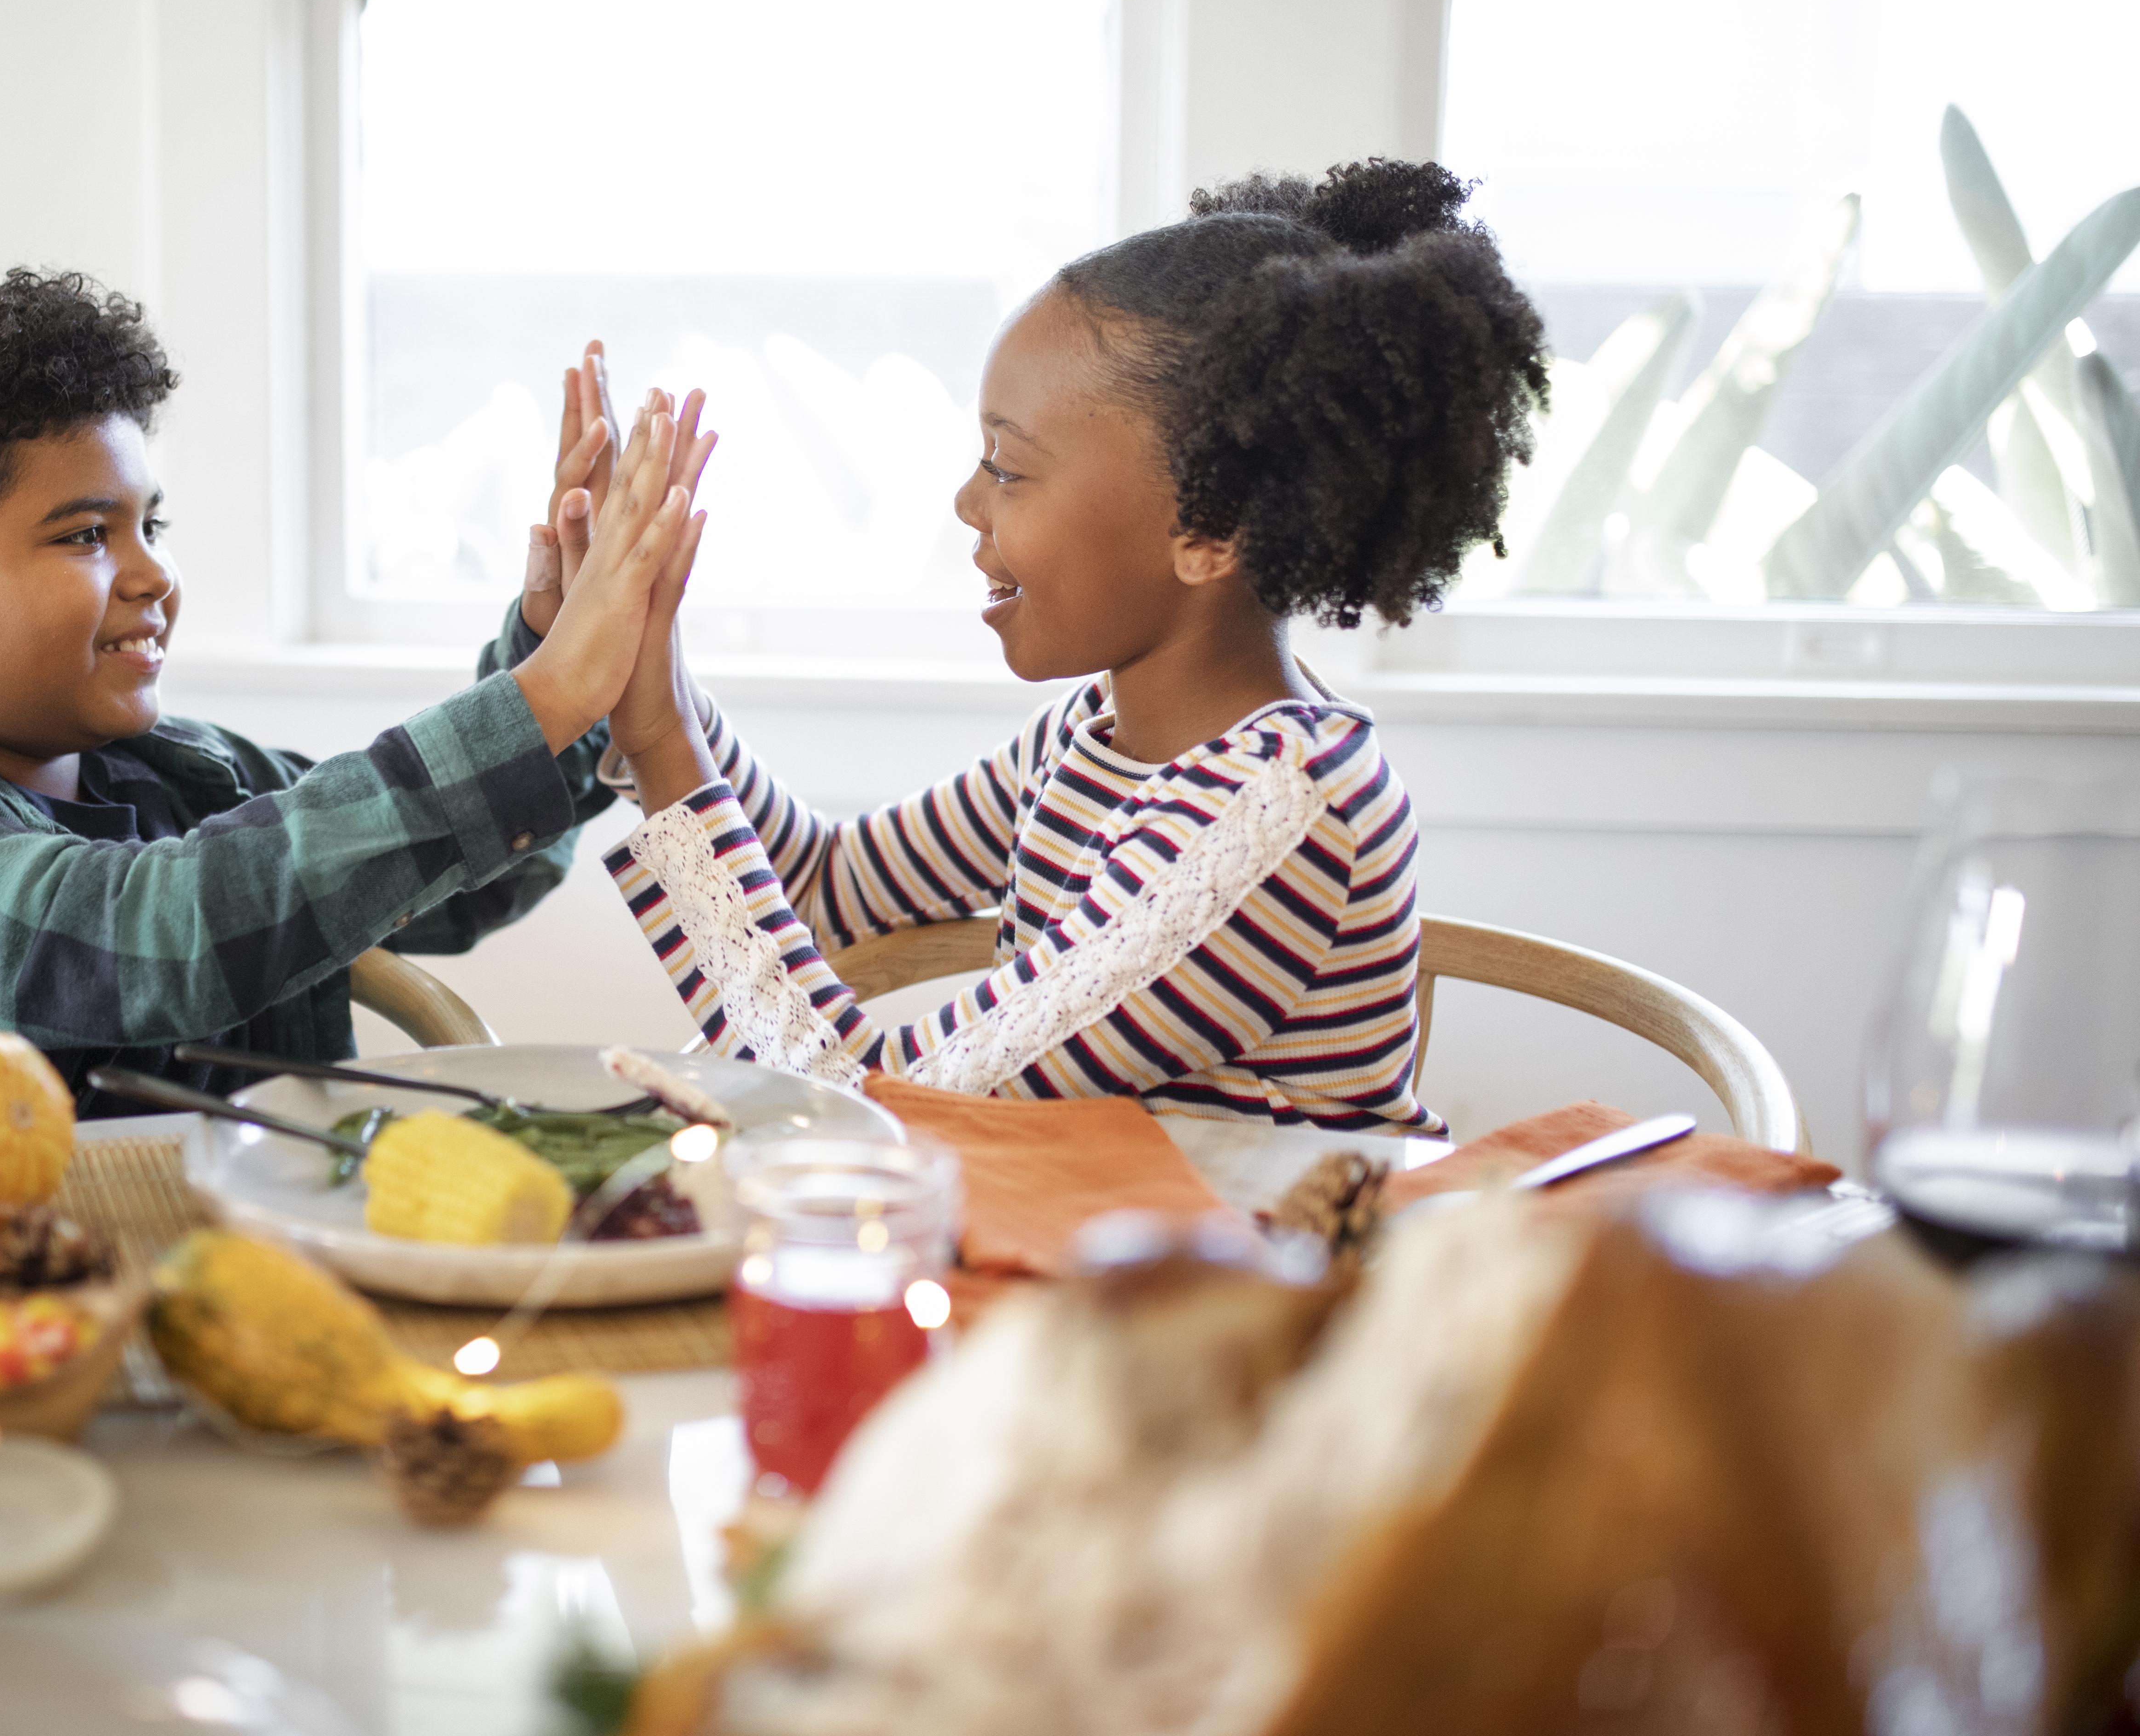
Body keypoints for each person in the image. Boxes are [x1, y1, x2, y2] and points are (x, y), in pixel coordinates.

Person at [588, 162, 1547, 1126]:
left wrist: (663, 739)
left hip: (1259, 1275)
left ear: (1209, 532)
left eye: (1008, 468)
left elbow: (868, 1111)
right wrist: (644, 672)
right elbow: (830, 882)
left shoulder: (1275, 818)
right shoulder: (1096, 731)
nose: (968, 502)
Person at [0, 269, 703, 1110]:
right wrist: (544, 696)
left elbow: (476, 877)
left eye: (153, 527)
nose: (154, 576)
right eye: (88, 534)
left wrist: (556, 641)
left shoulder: (185, 775)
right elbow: (134, 942)